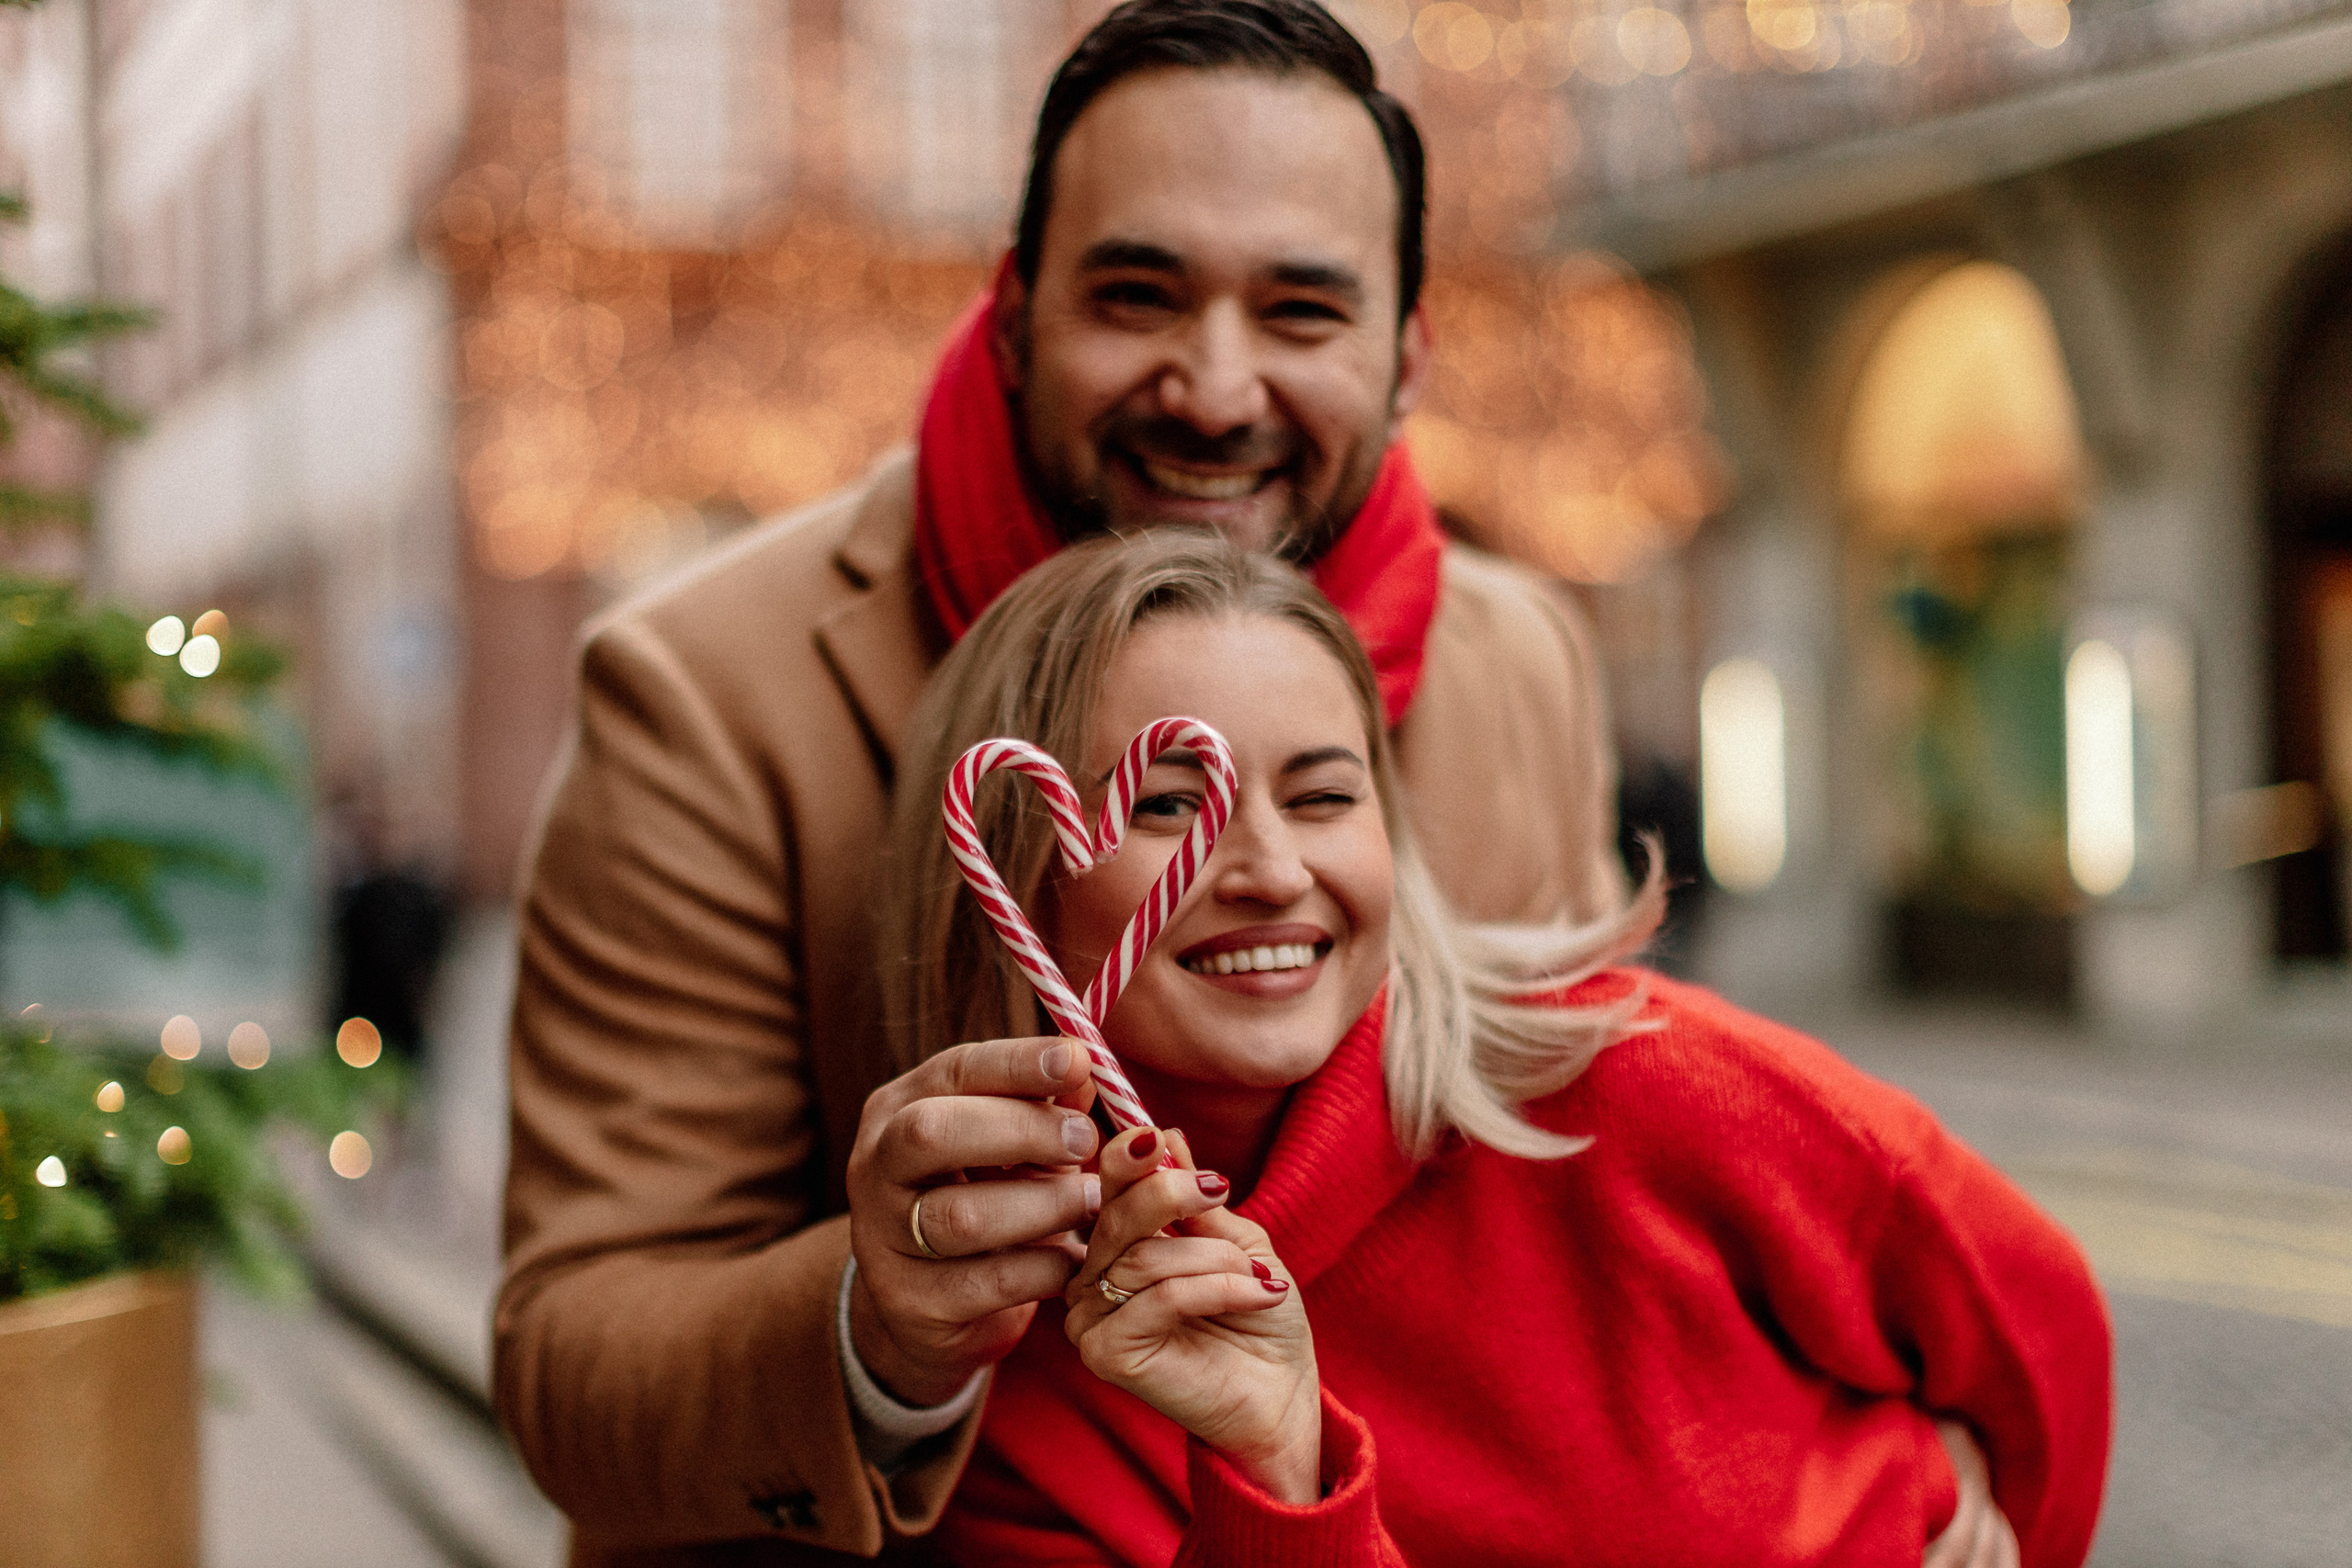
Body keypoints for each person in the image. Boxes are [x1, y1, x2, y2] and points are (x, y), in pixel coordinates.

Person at [497, 5, 1633, 1562]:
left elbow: (1593, 1236)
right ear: (1019, 316)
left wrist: (1879, 1468)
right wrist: (875, 1333)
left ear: (1408, 353)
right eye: (1137, 295)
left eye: (1303, 311)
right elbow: (571, 1359)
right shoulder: (708, 693)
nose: (1217, 390)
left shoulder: (1521, 661)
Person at [873, 529, 2111, 1568]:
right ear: (1007, 862)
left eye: (1322, 796)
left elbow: (2039, 1330)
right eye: (1163, 805)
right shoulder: (1037, 1383)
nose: (1267, 870)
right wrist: (1274, 1477)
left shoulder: (1639, 1078)